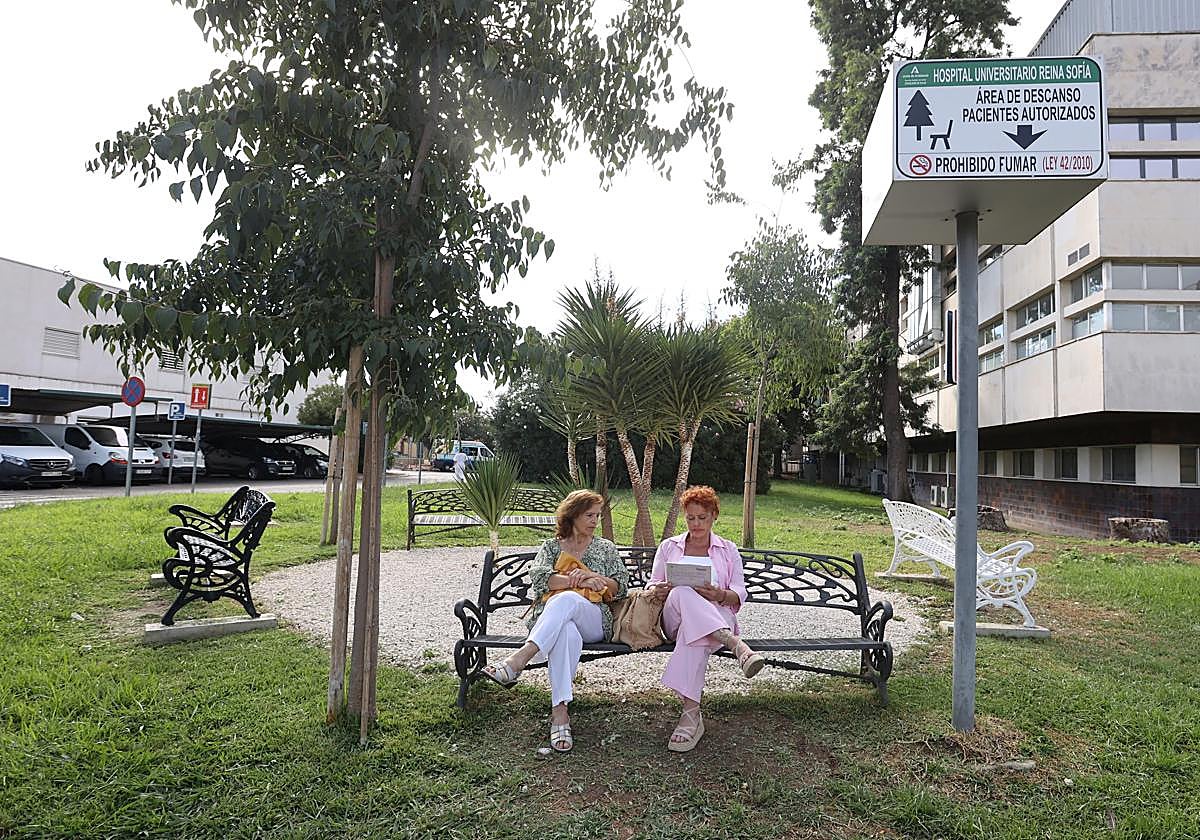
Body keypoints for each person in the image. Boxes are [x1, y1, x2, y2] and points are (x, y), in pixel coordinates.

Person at [481, 489, 628, 752]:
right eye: (589, 515)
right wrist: (578, 579)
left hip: (595, 618)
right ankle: (560, 713)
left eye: (598, 515)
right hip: (558, 623)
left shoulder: (606, 548)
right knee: (566, 632)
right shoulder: (551, 547)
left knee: (565, 600)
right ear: (572, 515)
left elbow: (620, 587)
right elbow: (539, 578)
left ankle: (518, 660)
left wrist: (593, 578)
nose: (595, 521)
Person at [648, 485, 764, 752]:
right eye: (691, 518)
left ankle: (691, 715)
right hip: (675, 618)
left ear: (714, 516)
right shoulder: (669, 547)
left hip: (716, 615)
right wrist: (660, 588)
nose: (696, 523)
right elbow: (651, 585)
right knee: (683, 592)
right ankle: (736, 645)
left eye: (702, 517)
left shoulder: (727, 549)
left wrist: (719, 593)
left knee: (696, 635)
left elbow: (738, 594)